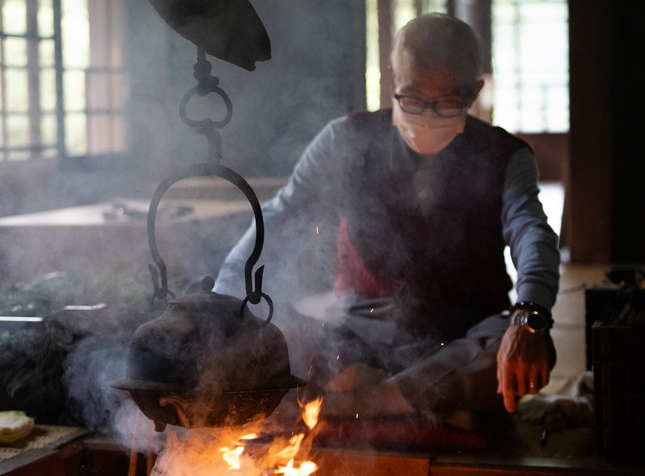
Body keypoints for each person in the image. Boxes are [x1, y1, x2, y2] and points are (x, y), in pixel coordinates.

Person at [213, 13, 559, 424]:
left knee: (518, 346)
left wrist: (529, 316)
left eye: (448, 101)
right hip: (356, 332)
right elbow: (280, 217)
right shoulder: (347, 139)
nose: (427, 115)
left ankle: (355, 402)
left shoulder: (504, 156)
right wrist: (221, 302)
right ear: (393, 78)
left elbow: (532, 232)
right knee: (272, 330)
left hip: (456, 336)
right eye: (412, 97)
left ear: (475, 91)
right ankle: (416, 399)